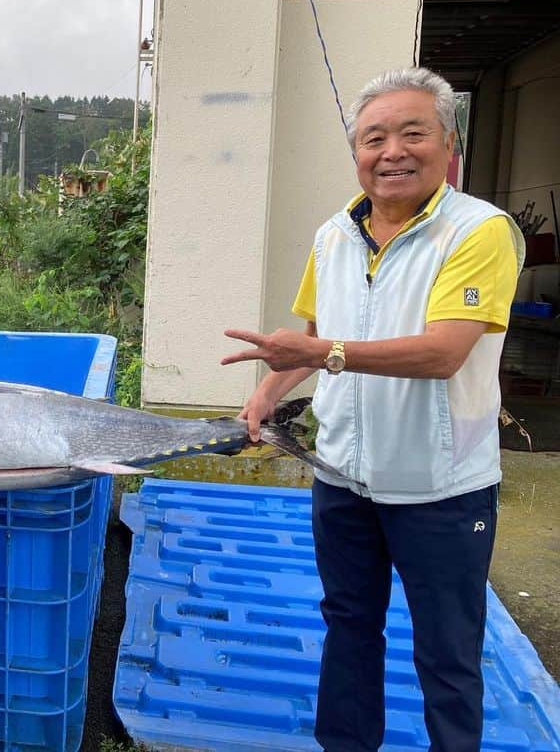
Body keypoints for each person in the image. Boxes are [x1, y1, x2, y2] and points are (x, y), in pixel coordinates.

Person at [222, 67, 523, 751]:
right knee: (349, 626)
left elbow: (443, 352)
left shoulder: (480, 232)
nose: (392, 152)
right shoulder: (335, 233)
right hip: (344, 480)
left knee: (447, 653)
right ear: (356, 153)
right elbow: (309, 333)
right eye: (373, 138)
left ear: (449, 144)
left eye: (413, 133)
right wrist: (266, 395)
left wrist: (323, 352)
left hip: (440, 488)